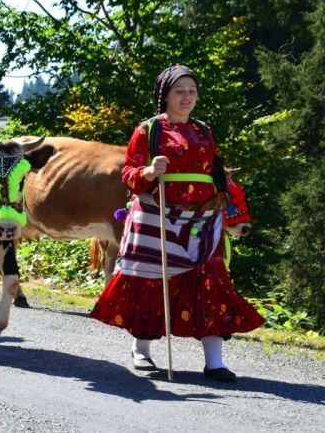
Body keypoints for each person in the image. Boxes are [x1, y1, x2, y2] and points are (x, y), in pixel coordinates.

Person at [90, 64, 264, 382]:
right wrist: (149, 172)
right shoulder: (149, 130)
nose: (187, 97)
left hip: (202, 220)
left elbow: (214, 172)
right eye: (179, 91)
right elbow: (129, 174)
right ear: (165, 95)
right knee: (149, 283)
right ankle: (141, 352)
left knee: (210, 281)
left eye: (192, 91)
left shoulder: (203, 131)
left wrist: (226, 204)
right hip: (156, 217)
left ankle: (215, 361)